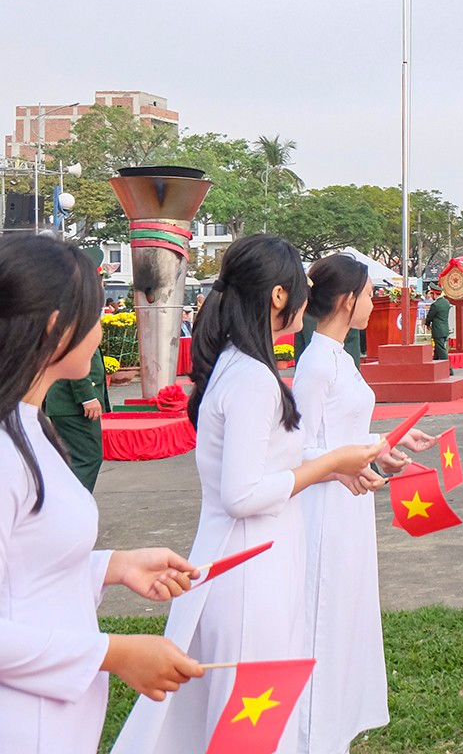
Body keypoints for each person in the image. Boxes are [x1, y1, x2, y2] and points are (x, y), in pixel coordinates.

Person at [112, 236, 385, 754]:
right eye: (300, 287)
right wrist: (329, 464)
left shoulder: (242, 367)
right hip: (249, 573)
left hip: (255, 563)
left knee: (246, 721)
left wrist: (335, 467)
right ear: (278, 296)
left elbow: (265, 469)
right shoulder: (253, 378)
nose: (308, 298)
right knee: (248, 726)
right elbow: (242, 494)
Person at [1, 236, 205, 754]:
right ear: (57, 326)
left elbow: (28, 570)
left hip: (54, 715)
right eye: (93, 316)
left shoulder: (30, 425)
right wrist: (113, 653)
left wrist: (113, 565)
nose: (101, 330)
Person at [294, 255, 435, 754]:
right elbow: (296, 448)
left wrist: (384, 444)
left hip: (352, 500)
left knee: (347, 612)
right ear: (347, 299)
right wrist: (343, 466)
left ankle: (336, 727)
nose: (375, 303)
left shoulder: (341, 358)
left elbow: (342, 432)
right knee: (323, 612)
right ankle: (311, 734)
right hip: (324, 506)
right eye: (370, 294)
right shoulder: (315, 365)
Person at [42, 326, 108, 492]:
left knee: (76, 459)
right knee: (87, 458)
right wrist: (87, 397)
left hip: (67, 403)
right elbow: (75, 358)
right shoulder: (77, 316)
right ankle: (72, 504)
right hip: (72, 404)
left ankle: (67, 502)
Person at [425, 283, 453, 366]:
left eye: (431, 294)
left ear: (434, 294)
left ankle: (449, 369)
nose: (431, 296)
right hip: (445, 329)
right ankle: (433, 368)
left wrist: (427, 323)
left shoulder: (435, 305)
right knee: (437, 351)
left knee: (441, 351)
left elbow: (429, 317)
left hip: (438, 331)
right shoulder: (446, 302)